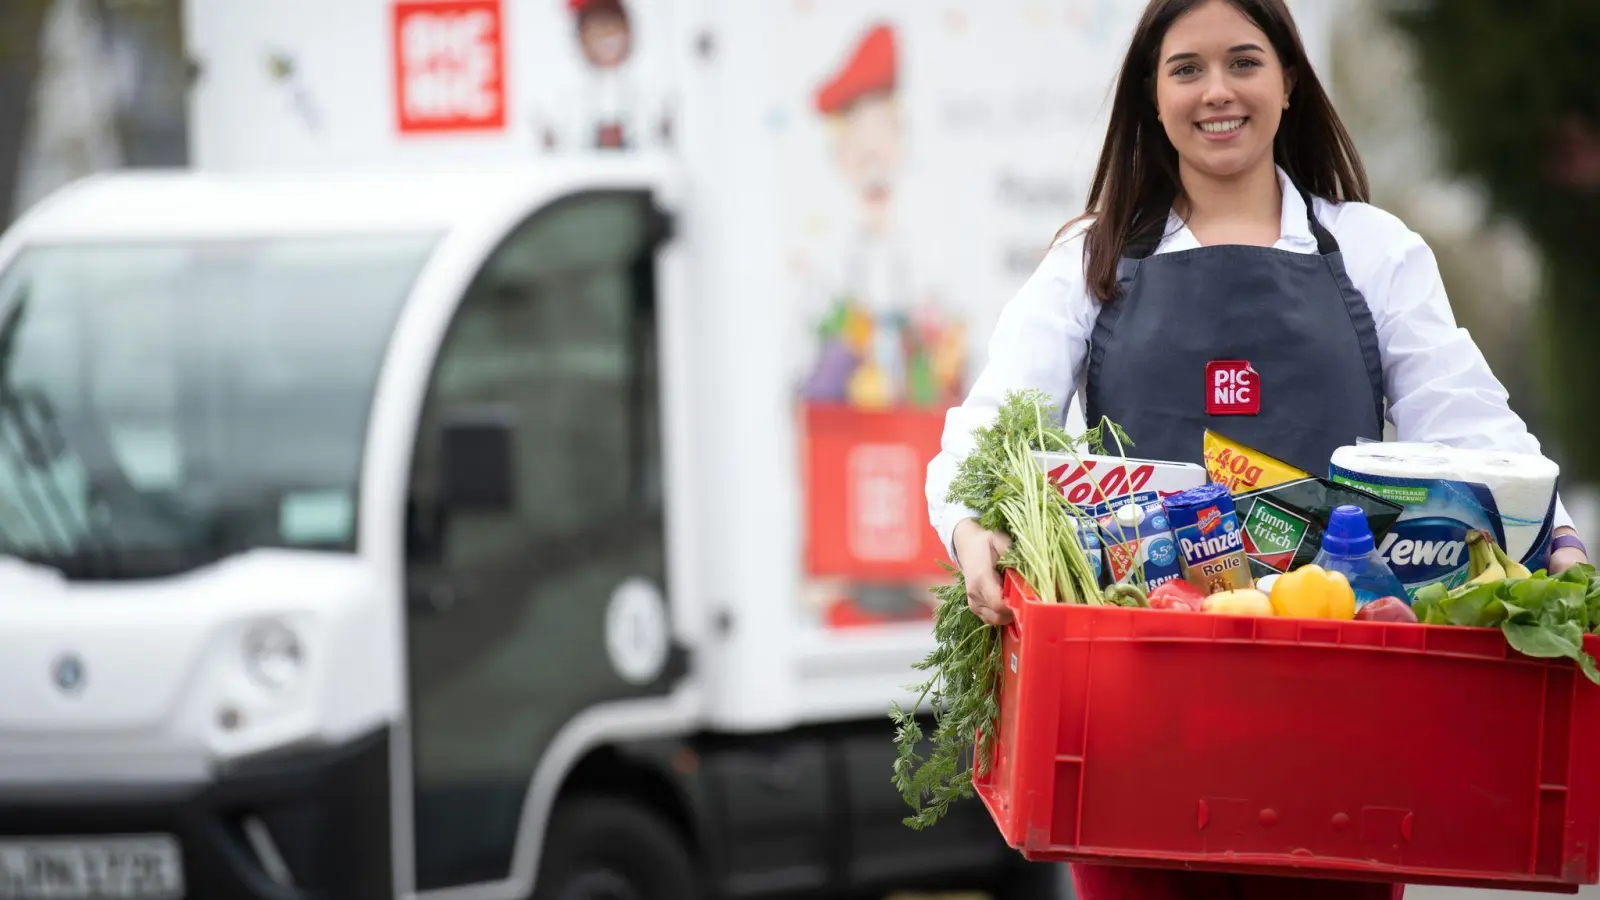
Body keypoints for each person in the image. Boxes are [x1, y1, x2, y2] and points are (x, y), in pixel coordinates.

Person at [924, 0, 1590, 896]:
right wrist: (973, 532)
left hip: (1342, 710)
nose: (1217, 91)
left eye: (1243, 61)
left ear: (1288, 83)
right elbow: (992, 421)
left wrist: (1554, 538)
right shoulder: (1094, 260)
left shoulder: (1372, 250)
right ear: (1151, 101)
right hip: (1139, 712)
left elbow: (1471, 427)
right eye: (1186, 69)